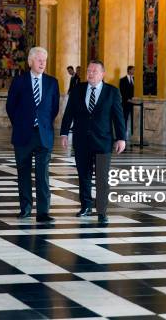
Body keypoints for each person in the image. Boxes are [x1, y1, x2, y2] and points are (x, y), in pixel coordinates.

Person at [60, 60, 126, 224]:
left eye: (94, 71)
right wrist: (63, 133)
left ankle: (102, 211)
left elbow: (118, 117)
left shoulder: (112, 92)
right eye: (88, 71)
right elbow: (69, 113)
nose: (90, 74)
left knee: (102, 178)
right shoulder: (78, 90)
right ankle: (86, 207)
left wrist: (121, 138)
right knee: (84, 176)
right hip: (81, 141)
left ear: (103, 74)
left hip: (103, 142)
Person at [6, 47, 59, 223]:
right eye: (39, 60)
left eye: (44, 60)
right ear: (30, 62)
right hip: (23, 135)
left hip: (43, 135)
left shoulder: (52, 82)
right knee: (24, 173)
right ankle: (26, 208)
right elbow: (10, 107)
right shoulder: (19, 82)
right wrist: (22, 124)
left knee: (43, 175)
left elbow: (54, 108)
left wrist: (42, 124)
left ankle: (43, 212)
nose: (43, 63)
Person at [119, 66, 135, 133]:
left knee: (134, 118)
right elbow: (122, 91)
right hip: (126, 102)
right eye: (133, 70)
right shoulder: (122, 80)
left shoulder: (135, 79)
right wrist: (127, 99)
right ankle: (123, 133)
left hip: (134, 102)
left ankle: (132, 133)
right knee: (125, 118)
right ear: (129, 70)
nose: (134, 71)